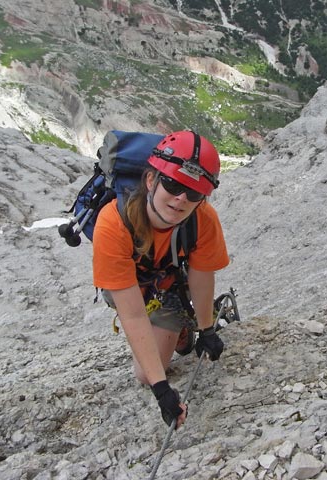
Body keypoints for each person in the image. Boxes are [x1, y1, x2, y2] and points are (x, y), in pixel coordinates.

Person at [92, 130, 229, 429]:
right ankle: (175, 326)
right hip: (131, 288)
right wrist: (161, 389)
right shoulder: (113, 223)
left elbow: (202, 277)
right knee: (149, 377)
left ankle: (181, 323)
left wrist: (206, 329)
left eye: (193, 193)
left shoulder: (203, 220)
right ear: (151, 180)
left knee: (146, 371)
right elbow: (132, 314)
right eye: (173, 183)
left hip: (169, 286)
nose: (181, 199)